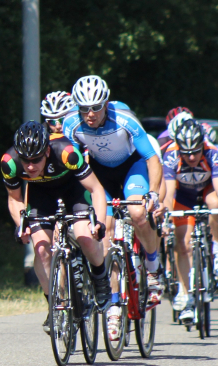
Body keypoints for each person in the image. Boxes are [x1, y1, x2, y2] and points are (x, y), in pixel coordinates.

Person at [61, 75, 165, 304]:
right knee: (103, 228)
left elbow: (151, 158)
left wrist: (154, 194)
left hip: (132, 167)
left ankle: (152, 265)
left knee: (138, 214)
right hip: (100, 173)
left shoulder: (124, 118)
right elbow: (71, 163)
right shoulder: (70, 124)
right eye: (84, 108)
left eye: (96, 108)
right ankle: (114, 298)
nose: (90, 114)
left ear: (106, 104)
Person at [2, 121, 111, 335]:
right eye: (26, 161)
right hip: (41, 197)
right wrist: (20, 226)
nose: (30, 166)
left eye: (36, 160)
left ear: (47, 151)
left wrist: (99, 222)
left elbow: (96, 189)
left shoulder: (67, 153)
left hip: (74, 193)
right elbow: (14, 199)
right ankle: (53, 307)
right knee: (41, 249)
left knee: (85, 236)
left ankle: (100, 278)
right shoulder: (10, 163)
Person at [160, 119, 218, 324]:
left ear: (203, 144)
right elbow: (167, 194)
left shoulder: (213, 154)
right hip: (183, 198)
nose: (191, 157)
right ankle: (185, 293)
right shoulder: (171, 156)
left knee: (216, 203)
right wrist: (166, 217)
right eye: (187, 152)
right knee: (182, 245)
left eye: (196, 151)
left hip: (206, 191)